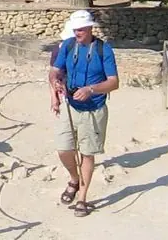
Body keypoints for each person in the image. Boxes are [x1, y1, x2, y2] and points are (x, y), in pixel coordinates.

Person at [50, 12, 119, 217]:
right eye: (75, 29)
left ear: (90, 29)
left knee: (87, 153)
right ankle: (74, 178)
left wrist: (91, 89)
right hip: (70, 105)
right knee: (63, 149)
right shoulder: (69, 45)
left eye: (80, 29)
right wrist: (56, 82)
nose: (77, 32)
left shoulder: (103, 49)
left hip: (94, 108)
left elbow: (114, 82)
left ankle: (82, 197)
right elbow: (54, 70)